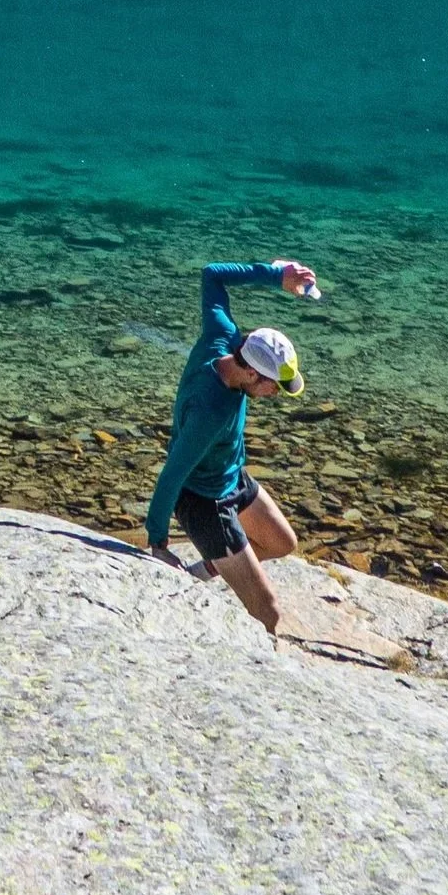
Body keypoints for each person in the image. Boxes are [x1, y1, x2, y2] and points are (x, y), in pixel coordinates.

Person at [143, 258, 321, 637]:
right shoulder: (211, 412)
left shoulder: (223, 334)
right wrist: (157, 541)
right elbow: (173, 474)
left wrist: (277, 276)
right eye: (273, 385)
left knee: (281, 543)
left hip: (231, 477)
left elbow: (212, 274)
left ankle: (208, 567)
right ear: (253, 373)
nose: (275, 394)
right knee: (269, 612)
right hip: (205, 501)